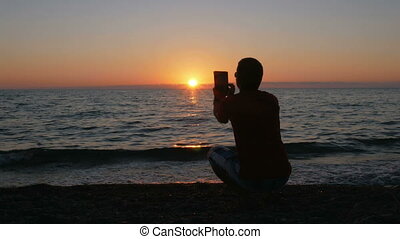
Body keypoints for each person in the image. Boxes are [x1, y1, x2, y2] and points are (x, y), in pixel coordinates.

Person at [208, 57, 291, 192]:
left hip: (252, 180)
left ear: (239, 77)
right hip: (281, 177)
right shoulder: (271, 100)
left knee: (214, 152)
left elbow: (220, 117)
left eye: (236, 74)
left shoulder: (233, 102)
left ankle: (241, 189)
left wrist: (218, 98)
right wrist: (230, 98)